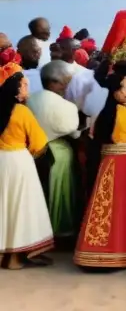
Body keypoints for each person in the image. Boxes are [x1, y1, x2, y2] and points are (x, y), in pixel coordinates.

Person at [74, 69, 126, 269]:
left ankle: (98, 249)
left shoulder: (101, 116)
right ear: (117, 93)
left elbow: (94, 138)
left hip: (107, 164)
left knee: (105, 207)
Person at [0, 64, 54, 269]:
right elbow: (39, 143)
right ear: (15, 90)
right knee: (19, 209)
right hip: (18, 162)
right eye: (24, 86)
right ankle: (14, 258)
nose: (27, 90)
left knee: (2, 207)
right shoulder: (22, 112)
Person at [26, 60, 82, 246]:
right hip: (58, 154)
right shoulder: (67, 107)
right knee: (60, 193)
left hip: (31, 153)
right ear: (54, 83)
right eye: (65, 81)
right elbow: (73, 131)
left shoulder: (29, 100)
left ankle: (35, 234)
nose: (67, 85)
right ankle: (59, 231)